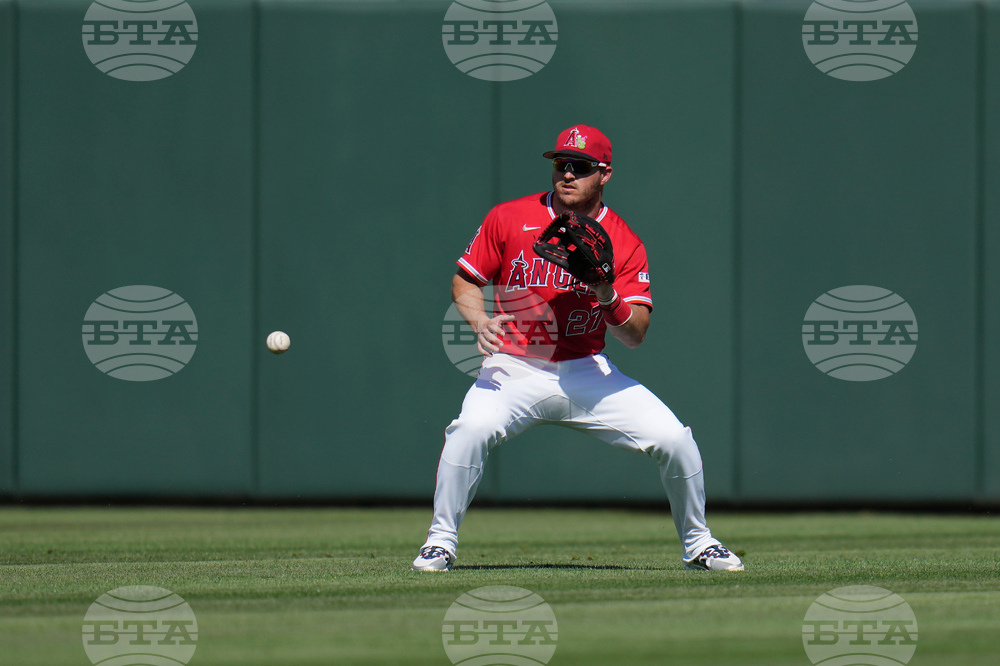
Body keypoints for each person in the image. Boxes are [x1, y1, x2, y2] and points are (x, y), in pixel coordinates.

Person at [412, 125, 743, 572]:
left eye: (580, 167)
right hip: (514, 367)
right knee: (467, 431)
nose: (567, 174)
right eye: (560, 164)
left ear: (603, 174)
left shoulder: (624, 241)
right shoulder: (509, 217)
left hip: (587, 370)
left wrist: (606, 293)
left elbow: (636, 333)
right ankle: (439, 542)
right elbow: (466, 279)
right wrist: (479, 319)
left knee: (674, 439)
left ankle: (699, 544)